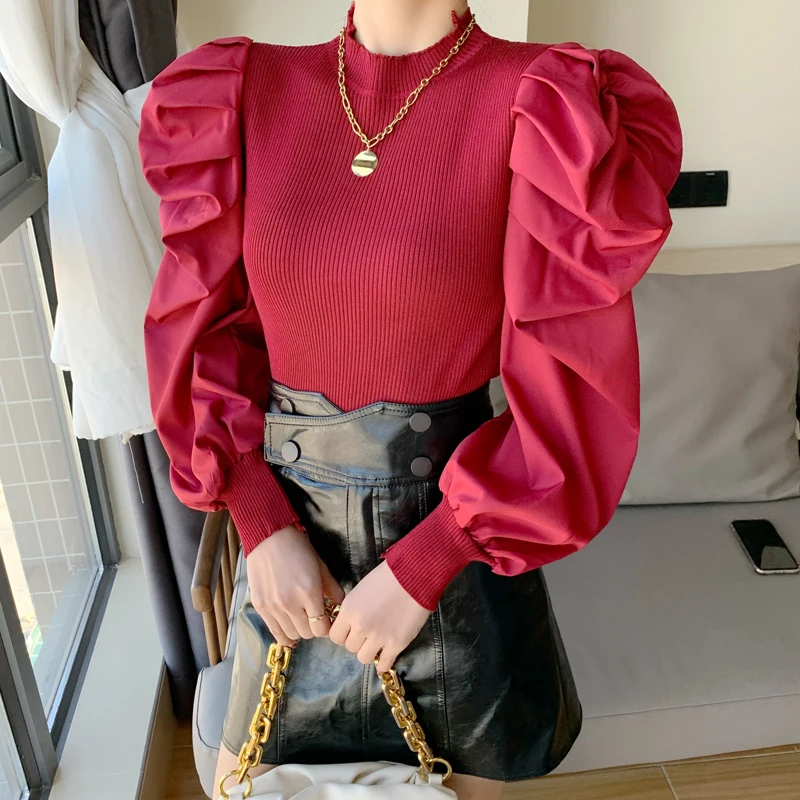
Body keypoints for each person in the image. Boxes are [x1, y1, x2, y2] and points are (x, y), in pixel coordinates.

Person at [137, 1, 682, 798]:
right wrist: (260, 522)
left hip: (455, 559)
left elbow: (571, 392)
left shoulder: (542, 101)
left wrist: (430, 564)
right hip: (289, 557)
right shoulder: (241, 89)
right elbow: (207, 338)